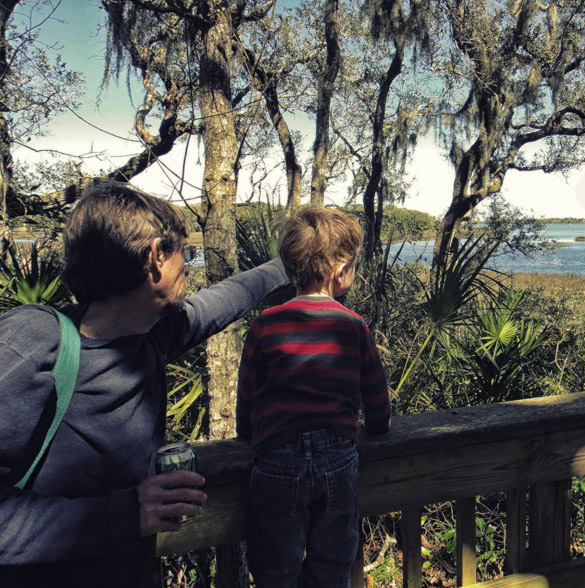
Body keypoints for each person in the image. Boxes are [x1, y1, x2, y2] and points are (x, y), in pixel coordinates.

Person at [0, 181, 290, 588]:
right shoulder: (31, 343)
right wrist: (128, 513)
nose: (189, 267)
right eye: (184, 254)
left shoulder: (154, 334)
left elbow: (228, 298)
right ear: (155, 257)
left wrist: (292, 261)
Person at [236, 207, 391, 588]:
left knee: (274, 569)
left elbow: (248, 395)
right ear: (340, 271)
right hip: (338, 459)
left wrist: (246, 434)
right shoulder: (353, 326)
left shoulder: (264, 325)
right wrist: (378, 426)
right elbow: (375, 395)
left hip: (276, 460)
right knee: (332, 564)